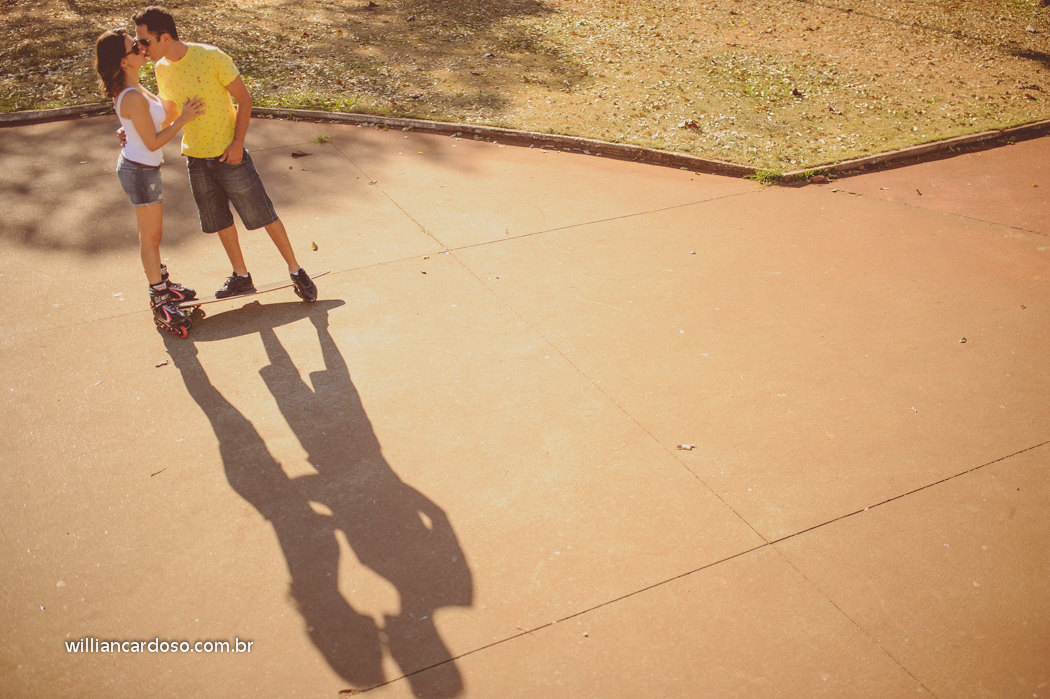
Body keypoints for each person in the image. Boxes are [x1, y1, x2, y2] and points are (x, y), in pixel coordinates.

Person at [132, 6, 317, 302]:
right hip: (196, 157)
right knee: (219, 220)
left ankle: (296, 270)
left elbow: (244, 99)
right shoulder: (162, 68)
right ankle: (241, 276)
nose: (140, 49)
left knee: (264, 213)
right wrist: (134, 132)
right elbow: (169, 114)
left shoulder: (211, 56)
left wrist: (237, 143)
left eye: (144, 42)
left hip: (229, 154)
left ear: (164, 37)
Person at [94, 27, 205, 334]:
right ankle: (159, 301)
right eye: (134, 48)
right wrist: (184, 119)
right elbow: (154, 142)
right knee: (150, 238)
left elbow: (158, 119)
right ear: (122, 62)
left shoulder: (136, 87)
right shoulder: (131, 96)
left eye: (140, 44)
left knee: (152, 237)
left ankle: (164, 286)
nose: (142, 49)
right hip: (140, 171)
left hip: (144, 168)